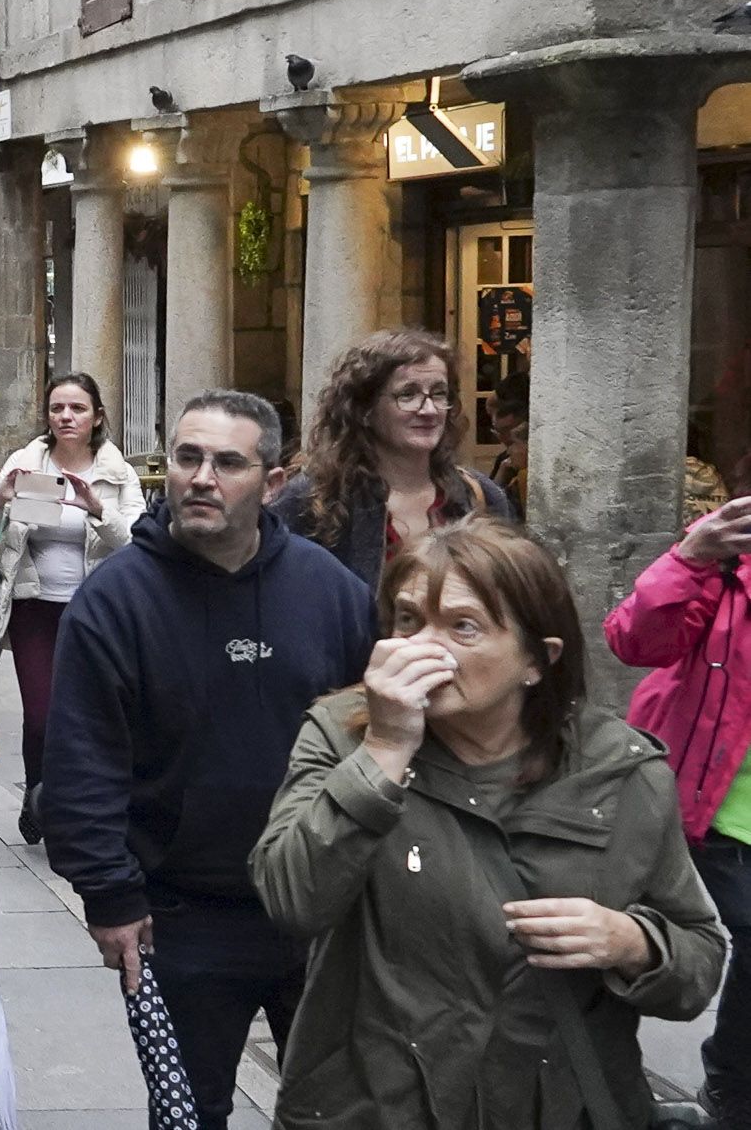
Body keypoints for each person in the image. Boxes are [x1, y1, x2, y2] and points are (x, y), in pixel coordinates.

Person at [256, 517, 725, 1129]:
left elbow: (698, 959)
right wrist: (385, 749)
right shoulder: (343, 735)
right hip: (379, 1106)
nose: (424, 647)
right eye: (407, 620)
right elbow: (290, 898)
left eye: (463, 627)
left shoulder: (621, 772)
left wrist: (631, 943)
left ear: (537, 660)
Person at [43, 389, 374, 1130]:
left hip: (320, 912)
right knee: (188, 1114)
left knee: (342, 1112)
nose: (199, 476)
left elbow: (379, 736)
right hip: (176, 916)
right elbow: (81, 760)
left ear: (273, 481)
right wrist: (110, 896)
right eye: (186, 457)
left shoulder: (332, 593)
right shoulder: (115, 600)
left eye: (227, 461)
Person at [609, 491, 751, 1122]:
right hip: (721, 804)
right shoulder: (726, 561)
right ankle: (729, 1086)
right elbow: (633, 640)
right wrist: (689, 556)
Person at [0, 371, 145, 845]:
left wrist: (97, 510)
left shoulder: (117, 473)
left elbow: (137, 545)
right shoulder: (27, 464)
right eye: (57, 408)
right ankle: (40, 797)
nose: (66, 417)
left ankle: (86, 804)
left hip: (97, 612)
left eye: (78, 408)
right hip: (34, 607)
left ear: (98, 416)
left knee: (97, 714)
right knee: (43, 714)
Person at [271, 328, 514, 586]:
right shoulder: (312, 500)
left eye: (439, 393)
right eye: (407, 395)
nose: (429, 410)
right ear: (364, 410)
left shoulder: (481, 495)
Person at [488, 370, 529, 520]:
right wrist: (503, 471)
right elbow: (488, 512)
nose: (502, 438)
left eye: (507, 430)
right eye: (498, 431)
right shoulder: (504, 461)